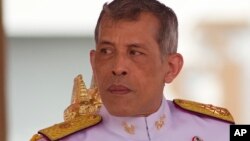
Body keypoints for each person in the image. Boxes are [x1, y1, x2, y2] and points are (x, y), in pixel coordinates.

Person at [31, 0, 234, 141]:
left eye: (135, 53)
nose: (118, 68)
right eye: (107, 51)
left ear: (171, 68)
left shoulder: (224, 132)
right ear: (93, 62)